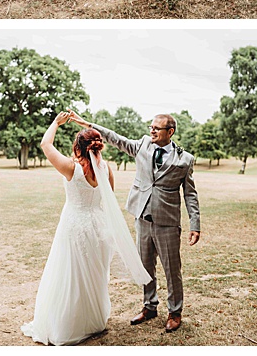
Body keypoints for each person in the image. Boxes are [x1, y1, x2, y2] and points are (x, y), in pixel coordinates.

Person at [22, 112, 151, 346]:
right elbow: (108, 199)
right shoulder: (106, 170)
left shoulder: (71, 168)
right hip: (97, 228)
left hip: (74, 226)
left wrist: (56, 123)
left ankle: (69, 326)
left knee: (69, 275)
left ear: (77, 147)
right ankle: (93, 322)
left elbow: (45, 144)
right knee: (94, 276)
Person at [68, 110, 200, 333]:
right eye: (151, 127)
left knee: (172, 269)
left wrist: (195, 225)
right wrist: (89, 124)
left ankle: (175, 312)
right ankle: (149, 307)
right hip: (142, 217)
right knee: (144, 266)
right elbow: (115, 138)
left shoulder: (185, 159)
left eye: (156, 129)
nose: (152, 131)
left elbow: (190, 194)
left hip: (167, 221)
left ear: (170, 131)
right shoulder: (142, 145)